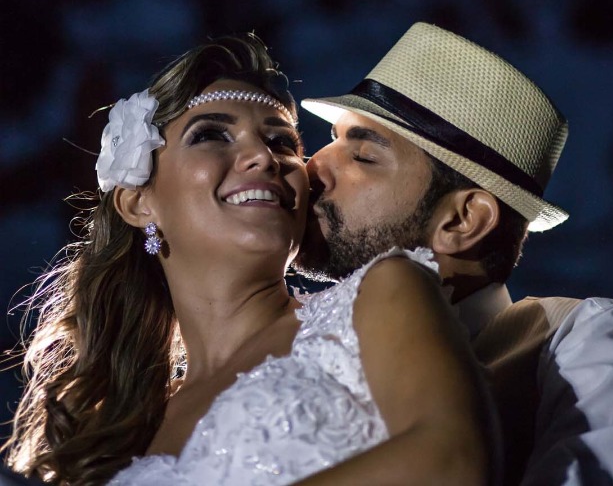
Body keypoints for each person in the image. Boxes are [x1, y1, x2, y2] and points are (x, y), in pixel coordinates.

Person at [3, 34, 494, 486]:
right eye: (212, 135)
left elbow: (452, 461)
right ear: (138, 202)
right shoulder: (116, 430)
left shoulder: (381, 296)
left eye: (282, 142)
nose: (263, 156)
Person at [297, 21, 613, 486]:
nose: (314, 165)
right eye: (330, 139)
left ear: (464, 220)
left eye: (364, 157)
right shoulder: (286, 334)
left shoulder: (587, 343)